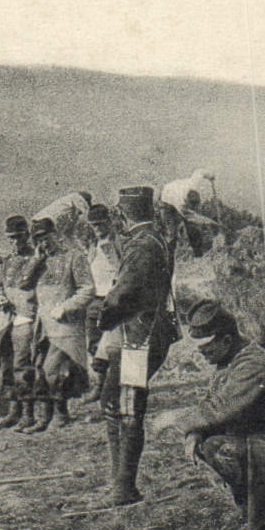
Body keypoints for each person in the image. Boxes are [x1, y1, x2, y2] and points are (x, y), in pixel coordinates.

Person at [151, 300, 265, 530]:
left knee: (224, 449)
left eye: (207, 349)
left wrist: (176, 419)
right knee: (211, 445)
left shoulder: (252, 363)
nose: (202, 355)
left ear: (226, 340)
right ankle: (256, 511)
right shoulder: (229, 360)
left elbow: (223, 408)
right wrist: (196, 432)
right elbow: (212, 403)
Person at [96, 186, 179, 506]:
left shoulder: (142, 245)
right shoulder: (152, 239)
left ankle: (124, 487)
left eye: (119, 211)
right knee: (115, 403)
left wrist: (102, 319)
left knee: (125, 408)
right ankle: (120, 482)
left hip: (138, 339)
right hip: (142, 335)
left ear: (124, 212)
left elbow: (122, 293)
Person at [28, 213, 96, 432]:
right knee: (40, 368)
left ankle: (60, 413)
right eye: (37, 239)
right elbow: (23, 286)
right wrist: (35, 261)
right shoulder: (38, 260)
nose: (42, 242)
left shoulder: (74, 257)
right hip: (43, 325)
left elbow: (87, 289)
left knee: (53, 369)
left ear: (56, 234)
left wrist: (66, 306)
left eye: (45, 237)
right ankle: (46, 415)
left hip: (65, 325)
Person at [0, 215, 46, 429]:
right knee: (6, 363)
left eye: (19, 237)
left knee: (24, 366)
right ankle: (13, 411)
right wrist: (0, 297)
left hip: (27, 316)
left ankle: (28, 414)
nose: (15, 242)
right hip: (7, 318)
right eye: (11, 238)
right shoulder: (6, 260)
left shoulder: (38, 258)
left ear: (27, 235)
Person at [80, 201, 121, 405]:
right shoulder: (93, 245)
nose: (97, 228)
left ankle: (113, 388)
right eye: (94, 225)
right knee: (94, 344)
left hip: (113, 299)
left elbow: (124, 269)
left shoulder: (118, 242)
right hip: (95, 298)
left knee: (113, 346)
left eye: (100, 224)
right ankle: (99, 385)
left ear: (109, 222)